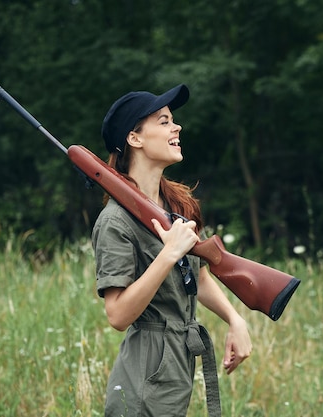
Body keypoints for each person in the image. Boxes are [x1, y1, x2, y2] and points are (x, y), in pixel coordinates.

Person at [92, 84, 252, 416]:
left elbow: (198, 276)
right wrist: (168, 255)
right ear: (135, 139)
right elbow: (117, 315)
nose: (176, 127)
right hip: (144, 374)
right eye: (164, 121)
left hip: (177, 365)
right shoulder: (115, 222)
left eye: (173, 120)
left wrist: (235, 320)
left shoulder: (177, 206)